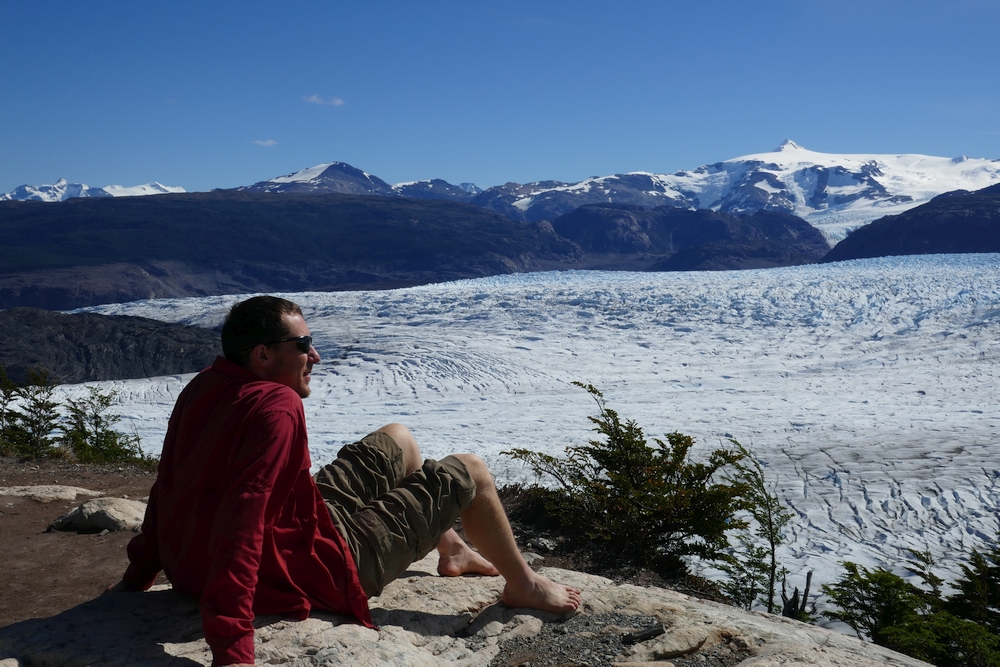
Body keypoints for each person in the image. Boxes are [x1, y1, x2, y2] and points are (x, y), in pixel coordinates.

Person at [108, 295, 581, 667]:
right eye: (303, 345)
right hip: (304, 570)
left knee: (399, 438)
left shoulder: (204, 385)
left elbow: (167, 484)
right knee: (471, 471)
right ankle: (523, 586)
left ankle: (452, 549)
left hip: (223, 556)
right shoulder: (277, 405)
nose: (314, 355)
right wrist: (232, 648)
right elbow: (244, 518)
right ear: (263, 354)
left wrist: (142, 573)